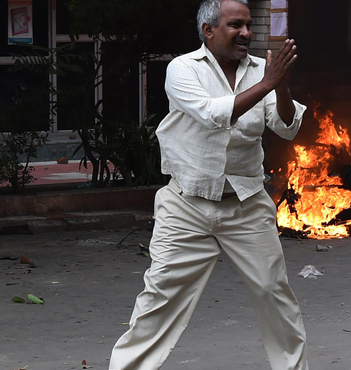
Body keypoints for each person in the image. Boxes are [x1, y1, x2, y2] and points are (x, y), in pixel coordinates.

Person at [108, 1, 309, 369]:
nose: (246, 33)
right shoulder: (182, 68)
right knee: (160, 298)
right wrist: (268, 82)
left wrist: (282, 87)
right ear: (208, 30)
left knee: (274, 294)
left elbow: (287, 127)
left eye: (249, 26)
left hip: (245, 204)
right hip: (186, 205)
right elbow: (212, 115)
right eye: (236, 25)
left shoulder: (260, 71)